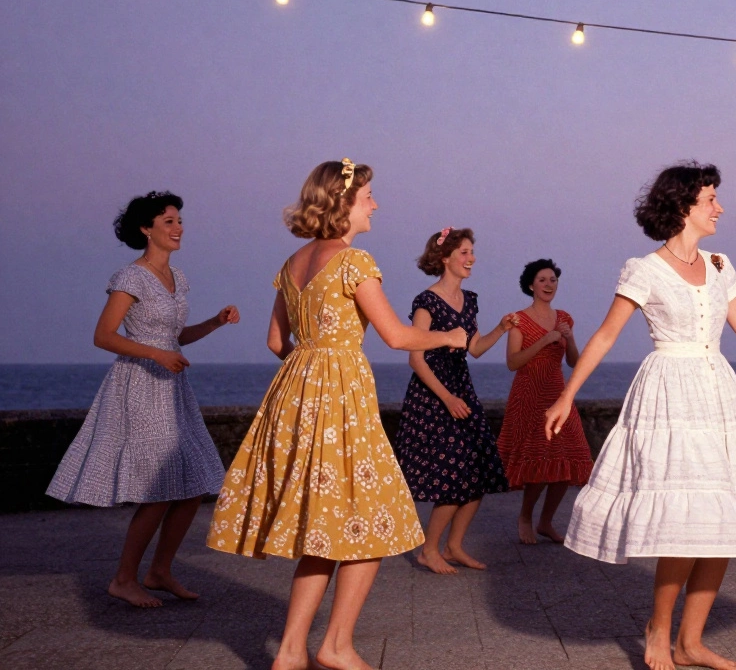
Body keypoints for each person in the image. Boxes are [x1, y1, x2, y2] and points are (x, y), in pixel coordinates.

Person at [545, 162, 736, 670]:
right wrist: (568, 394)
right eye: (710, 199)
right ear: (683, 207)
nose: (719, 207)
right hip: (668, 395)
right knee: (684, 517)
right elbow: (607, 335)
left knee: (722, 517)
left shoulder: (721, 264)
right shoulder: (644, 269)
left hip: (717, 393)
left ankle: (690, 641)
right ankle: (659, 628)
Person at [206, 160, 466, 670]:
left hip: (297, 394)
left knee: (323, 527)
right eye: (368, 195)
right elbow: (395, 335)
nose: (374, 204)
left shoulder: (292, 262)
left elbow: (276, 341)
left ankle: (289, 652)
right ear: (343, 202)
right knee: (372, 519)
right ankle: (336, 645)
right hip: (341, 402)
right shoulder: (353, 262)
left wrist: (311, 365)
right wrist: (449, 336)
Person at [47, 191, 238, 608]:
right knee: (159, 489)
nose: (178, 228)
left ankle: (160, 571)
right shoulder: (129, 277)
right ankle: (122, 579)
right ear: (145, 229)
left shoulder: (179, 278)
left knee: (194, 484)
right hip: (139, 386)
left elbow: (175, 338)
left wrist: (215, 322)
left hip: (172, 389)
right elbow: (104, 336)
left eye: (179, 220)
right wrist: (156, 354)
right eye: (168, 221)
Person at [392, 227, 516, 575]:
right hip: (434, 395)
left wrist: (501, 329)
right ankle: (428, 550)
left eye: (471, 251)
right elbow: (415, 358)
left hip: (461, 388)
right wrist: (447, 398)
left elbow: (473, 348)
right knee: (453, 475)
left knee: (479, 470)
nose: (471, 257)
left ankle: (454, 546)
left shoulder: (470, 299)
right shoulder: (426, 301)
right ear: (444, 257)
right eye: (463, 252)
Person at [498, 258, 593, 545]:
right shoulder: (519, 319)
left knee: (572, 454)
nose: (548, 284)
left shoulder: (564, 317)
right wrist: (544, 341)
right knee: (539, 459)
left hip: (557, 392)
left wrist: (569, 338)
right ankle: (525, 516)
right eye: (542, 280)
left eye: (552, 279)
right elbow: (512, 363)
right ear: (531, 285)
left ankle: (546, 522)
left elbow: (574, 361)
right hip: (529, 394)